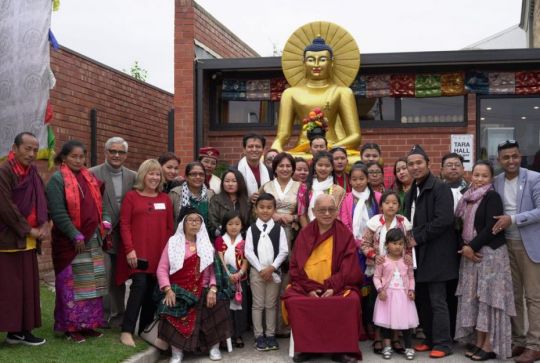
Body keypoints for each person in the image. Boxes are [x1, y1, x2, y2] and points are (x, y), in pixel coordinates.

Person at [283, 194, 363, 363]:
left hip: (337, 287)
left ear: (337, 212)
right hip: (306, 288)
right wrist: (309, 288)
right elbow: (295, 266)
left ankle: (340, 350)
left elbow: (349, 266)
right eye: (322, 210)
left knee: (351, 301)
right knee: (294, 301)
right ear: (314, 211)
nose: (327, 213)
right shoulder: (305, 233)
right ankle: (307, 349)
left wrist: (333, 287)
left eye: (331, 209)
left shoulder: (344, 234)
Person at [46, 140, 111, 343]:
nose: (78, 160)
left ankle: (89, 324)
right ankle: (71, 327)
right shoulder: (57, 180)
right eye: (74, 156)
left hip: (93, 241)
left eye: (81, 156)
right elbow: (57, 211)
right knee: (71, 285)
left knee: (91, 285)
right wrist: (74, 233)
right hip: (71, 243)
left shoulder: (89, 178)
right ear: (64, 158)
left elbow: (101, 204)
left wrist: (105, 222)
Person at [454, 160, 515, 361]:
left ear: (491, 178)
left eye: (484, 176)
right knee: (476, 299)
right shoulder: (467, 198)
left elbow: (491, 226)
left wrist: (471, 247)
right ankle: (478, 341)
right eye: (476, 175)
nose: (479, 179)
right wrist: (466, 247)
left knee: (488, 300)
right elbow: (459, 225)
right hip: (471, 255)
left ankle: (489, 344)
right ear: (471, 176)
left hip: (490, 255)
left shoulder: (492, 196)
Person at [156, 207, 233, 363]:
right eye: (190, 220)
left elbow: (213, 272)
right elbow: (162, 269)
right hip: (179, 290)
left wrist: (213, 288)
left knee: (219, 304)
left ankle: (214, 348)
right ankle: (177, 352)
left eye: (197, 221)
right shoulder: (173, 242)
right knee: (170, 308)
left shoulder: (206, 244)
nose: (194, 224)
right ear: (183, 224)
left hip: (203, 289)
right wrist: (168, 290)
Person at [403, 145, 458, 358]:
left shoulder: (440, 187)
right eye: (411, 164)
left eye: (419, 163)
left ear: (428, 164)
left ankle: (443, 343)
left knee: (438, 300)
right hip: (418, 255)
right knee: (422, 299)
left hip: (437, 254)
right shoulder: (411, 192)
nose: (415, 167)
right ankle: (430, 338)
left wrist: (417, 237)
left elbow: (444, 220)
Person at [271, 35, 361, 154]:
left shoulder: (342, 92)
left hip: (332, 148)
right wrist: (274, 150)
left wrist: (329, 149)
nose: (316, 64)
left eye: (323, 59)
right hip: (303, 149)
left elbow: (355, 136)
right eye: (311, 60)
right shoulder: (290, 93)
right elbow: (283, 135)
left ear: (331, 63)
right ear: (303, 63)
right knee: (289, 162)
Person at [492, 140, 540, 363]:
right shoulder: (496, 180)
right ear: (499, 160)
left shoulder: (533, 178)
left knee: (533, 297)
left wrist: (513, 219)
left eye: (515, 156)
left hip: (528, 244)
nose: (511, 161)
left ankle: (535, 344)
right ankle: (519, 341)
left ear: (520, 156)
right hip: (505, 246)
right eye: (506, 157)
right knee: (513, 297)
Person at [117, 159, 174, 347]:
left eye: (158, 174)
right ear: (143, 175)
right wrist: (129, 250)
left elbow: (169, 228)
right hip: (138, 254)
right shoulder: (132, 197)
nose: (155, 177)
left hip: (159, 254)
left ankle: (143, 330)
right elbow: (124, 225)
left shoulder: (164, 199)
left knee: (151, 291)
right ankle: (126, 331)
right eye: (151, 173)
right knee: (139, 286)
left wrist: (168, 256)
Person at [0, 132, 49, 346]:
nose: (31, 154)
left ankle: (21, 331)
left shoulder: (33, 173)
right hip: (9, 239)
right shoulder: (4, 171)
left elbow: (42, 199)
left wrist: (46, 222)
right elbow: (5, 208)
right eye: (27, 148)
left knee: (28, 288)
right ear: (14, 147)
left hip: (28, 241)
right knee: (10, 288)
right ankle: (13, 331)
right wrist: (29, 230)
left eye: (35, 150)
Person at [89, 136, 136, 328]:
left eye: (121, 152)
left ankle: (119, 315)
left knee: (119, 277)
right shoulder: (92, 173)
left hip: (124, 237)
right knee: (103, 275)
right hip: (102, 236)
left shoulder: (133, 176)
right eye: (113, 151)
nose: (117, 155)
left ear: (126, 155)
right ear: (105, 152)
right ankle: (102, 315)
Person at [361, 191, 415, 355]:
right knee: (377, 305)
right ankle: (379, 338)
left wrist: (408, 257)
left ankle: (396, 338)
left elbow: (409, 244)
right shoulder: (374, 222)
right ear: (381, 205)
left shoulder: (404, 222)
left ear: (399, 206)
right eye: (387, 202)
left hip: (399, 268)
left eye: (394, 203)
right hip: (378, 268)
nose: (391, 205)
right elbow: (364, 244)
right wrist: (375, 256)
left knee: (398, 305)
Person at [258, 152, 301, 337]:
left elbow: (305, 212)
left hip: (292, 234)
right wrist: (272, 216)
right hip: (269, 234)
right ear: (274, 168)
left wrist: (293, 217)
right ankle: (270, 327)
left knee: (287, 276)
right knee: (270, 274)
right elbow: (257, 210)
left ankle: (286, 324)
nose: (284, 169)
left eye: (288, 166)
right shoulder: (266, 186)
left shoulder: (300, 187)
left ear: (293, 168)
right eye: (281, 166)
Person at [244, 193, 289, 351]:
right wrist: (261, 269)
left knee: (271, 304)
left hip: (273, 272)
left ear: (274, 210)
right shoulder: (251, 229)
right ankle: (258, 336)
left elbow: (283, 251)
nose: (265, 210)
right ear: (256, 209)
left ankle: (270, 334)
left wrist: (272, 268)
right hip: (257, 272)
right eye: (261, 207)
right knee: (258, 304)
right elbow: (248, 251)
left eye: (269, 207)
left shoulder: (279, 229)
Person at [373, 228, 419, 361]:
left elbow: (411, 277)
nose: (397, 246)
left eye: (400, 244)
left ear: (404, 245)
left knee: (405, 323)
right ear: (387, 244)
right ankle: (387, 346)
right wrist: (380, 289)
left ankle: (409, 347)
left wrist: (411, 290)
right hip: (386, 297)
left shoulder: (406, 261)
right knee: (386, 322)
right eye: (394, 243)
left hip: (403, 297)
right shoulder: (383, 261)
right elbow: (376, 277)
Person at [215, 210, 249, 348]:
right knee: (226, 308)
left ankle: (238, 334)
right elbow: (220, 259)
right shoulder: (219, 241)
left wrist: (239, 273)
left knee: (240, 307)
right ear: (225, 225)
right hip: (225, 279)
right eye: (230, 224)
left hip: (241, 279)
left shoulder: (245, 241)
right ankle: (226, 335)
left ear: (242, 225)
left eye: (237, 224)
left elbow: (246, 259)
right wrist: (228, 274)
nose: (234, 227)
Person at [297, 151, 346, 227]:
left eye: (327, 166)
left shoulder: (339, 190)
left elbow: (340, 216)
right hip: (309, 231)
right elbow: (302, 214)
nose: (323, 168)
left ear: (332, 168)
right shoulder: (305, 188)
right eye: (320, 165)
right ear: (314, 166)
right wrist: (309, 235)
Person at [208, 168, 251, 238]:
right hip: (221, 239)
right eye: (227, 181)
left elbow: (250, 223)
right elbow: (212, 223)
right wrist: (226, 233)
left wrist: (240, 235)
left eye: (234, 181)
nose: (230, 184)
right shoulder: (216, 200)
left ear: (240, 182)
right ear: (222, 183)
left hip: (243, 240)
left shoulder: (247, 201)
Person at [170, 161, 214, 228]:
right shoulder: (175, 194)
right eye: (193, 174)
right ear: (186, 177)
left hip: (205, 237)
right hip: (180, 237)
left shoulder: (210, 195)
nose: (198, 177)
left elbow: (213, 221)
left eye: (201, 174)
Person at [237, 133, 272, 202]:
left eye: (258, 146)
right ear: (244, 149)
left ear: (263, 150)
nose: (254, 149)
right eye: (250, 146)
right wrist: (248, 200)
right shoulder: (235, 170)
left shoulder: (269, 171)